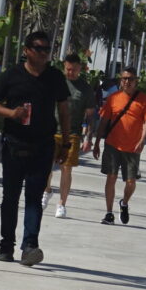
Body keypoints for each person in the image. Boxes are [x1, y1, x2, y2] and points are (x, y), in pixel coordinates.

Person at [0, 30, 71, 266]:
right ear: (26, 50)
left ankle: (30, 246)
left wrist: (66, 141)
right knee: (10, 198)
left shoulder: (54, 77)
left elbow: (63, 110)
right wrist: (10, 113)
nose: (44, 53)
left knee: (34, 198)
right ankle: (6, 245)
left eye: (47, 49)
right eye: (38, 48)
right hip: (14, 145)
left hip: (42, 146)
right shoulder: (12, 75)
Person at [92, 66, 146, 225]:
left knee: (131, 182)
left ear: (136, 81)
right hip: (113, 144)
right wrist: (97, 142)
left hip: (132, 147)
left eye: (131, 79)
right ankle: (109, 213)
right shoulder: (114, 98)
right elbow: (104, 121)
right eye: (124, 78)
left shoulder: (144, 99)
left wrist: (143, 140)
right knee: (110, 178)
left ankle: (124, 202)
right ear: (121, 80)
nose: (127, 82)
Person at [42, 53, 96, 219]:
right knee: (45, 166)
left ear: (80, 68)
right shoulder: (56, 82)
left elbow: (90, 116)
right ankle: (47, 190)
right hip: (51, 131)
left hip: (72, 134)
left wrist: (88, 138)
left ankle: (61, 204)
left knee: (66, 169)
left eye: (74, 69)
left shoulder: (85, 89)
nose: (70, 72)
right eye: (68, 69)